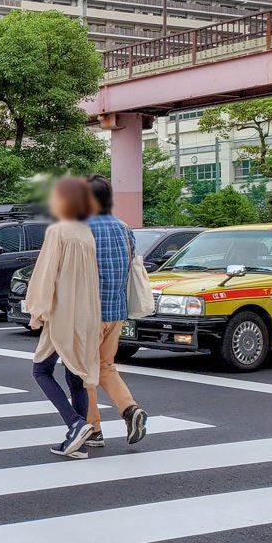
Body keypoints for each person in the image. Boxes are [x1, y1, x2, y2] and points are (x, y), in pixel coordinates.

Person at [23, 177, 101, 459]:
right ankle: (77, 438)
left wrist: (37, 310)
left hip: (63, 312)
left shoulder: (58, 231)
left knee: (41, 370)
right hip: (86, 313)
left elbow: (46, 274)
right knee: (76, 375)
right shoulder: (85, 233)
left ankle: (75, 423)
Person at [85, 175, 150, 447]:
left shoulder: (81, 229)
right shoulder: (124, 229)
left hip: (88, 311)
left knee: (84, 372)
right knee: (105, 367)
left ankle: (93, 429)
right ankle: (129, 409)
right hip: (117, 310)